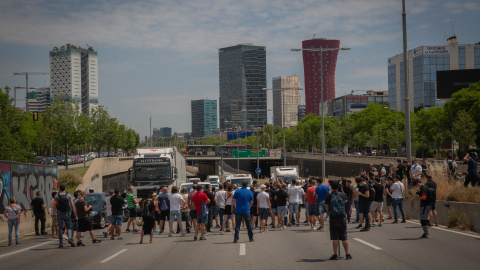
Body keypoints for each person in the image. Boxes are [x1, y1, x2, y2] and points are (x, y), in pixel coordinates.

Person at [325, 181, 352, 260]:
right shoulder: (343, 195)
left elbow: (327, 209)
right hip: (342, 217)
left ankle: (335, 254)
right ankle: (347, 254)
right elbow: (345, 202)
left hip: (333, 218)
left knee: (335, 237)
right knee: (344, 236)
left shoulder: (329, 196)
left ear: (331, 187)